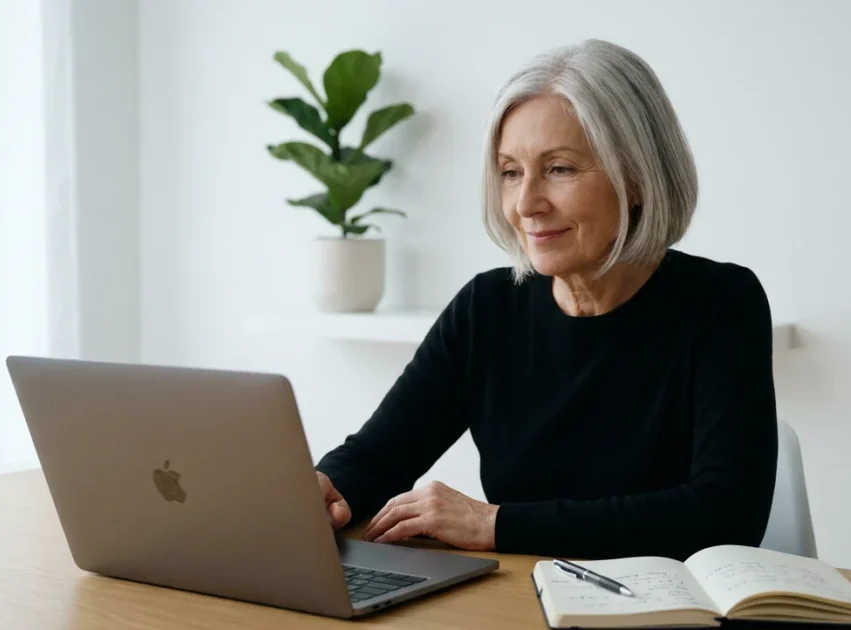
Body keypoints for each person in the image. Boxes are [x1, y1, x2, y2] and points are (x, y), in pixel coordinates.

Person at [314, 39, 778, 561]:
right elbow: (377, 459)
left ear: (636, 177)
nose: (526, 204)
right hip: (521, 601)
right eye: (511, 172)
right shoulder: (487, 308)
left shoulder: (722, 304)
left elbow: (726, 515)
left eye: (559, 169)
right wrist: (325, 489)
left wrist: (496, 524)